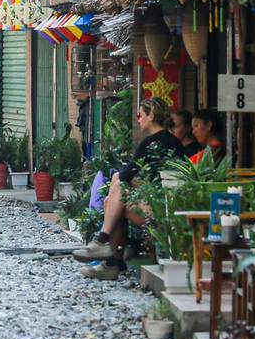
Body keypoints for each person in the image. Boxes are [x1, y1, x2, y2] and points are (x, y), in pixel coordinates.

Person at [73, 96, 186, 280]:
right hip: (168, 205)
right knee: (115, 201)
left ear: (151, 116)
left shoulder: (150, 143)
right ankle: (110, 259)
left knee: (116, 188)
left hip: (157, 210)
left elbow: (125, 177)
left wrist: (137, 182)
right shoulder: (175, 142)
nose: (138, 119)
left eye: (140, 114)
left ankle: (106, 247)